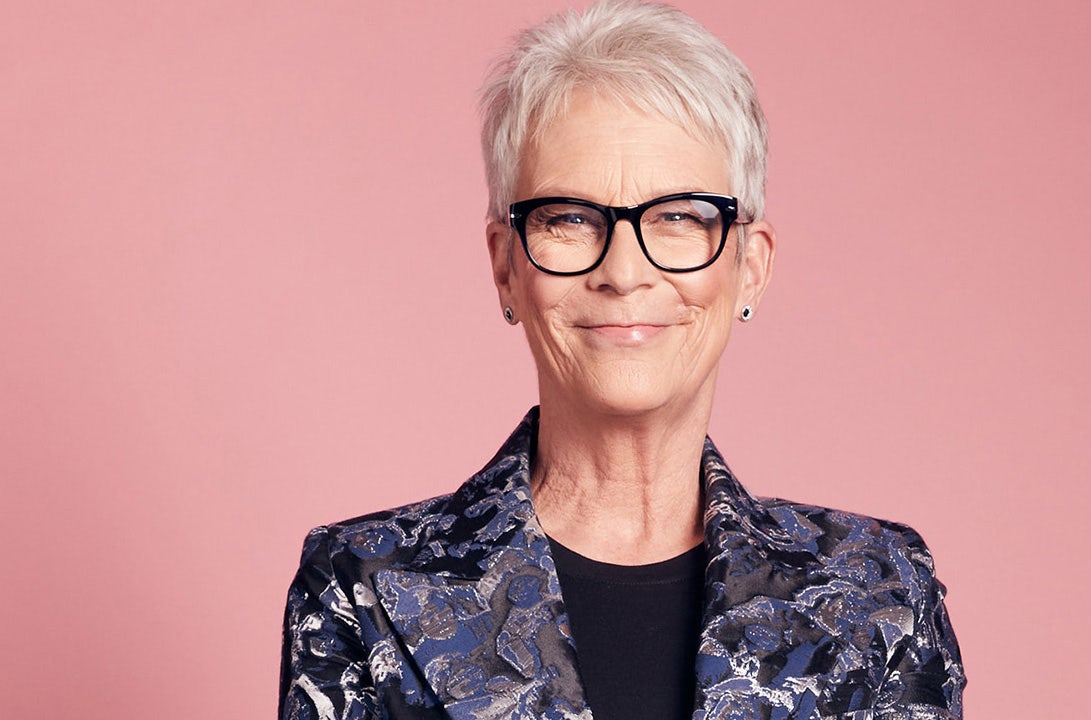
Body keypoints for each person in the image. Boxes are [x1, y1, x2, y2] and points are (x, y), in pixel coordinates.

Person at [279, 1, 965, 718]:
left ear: (751, 267)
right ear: (506, 266)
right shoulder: (361, 588)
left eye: (679, 216)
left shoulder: (878, 594)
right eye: (571, 219)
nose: (625, 272)